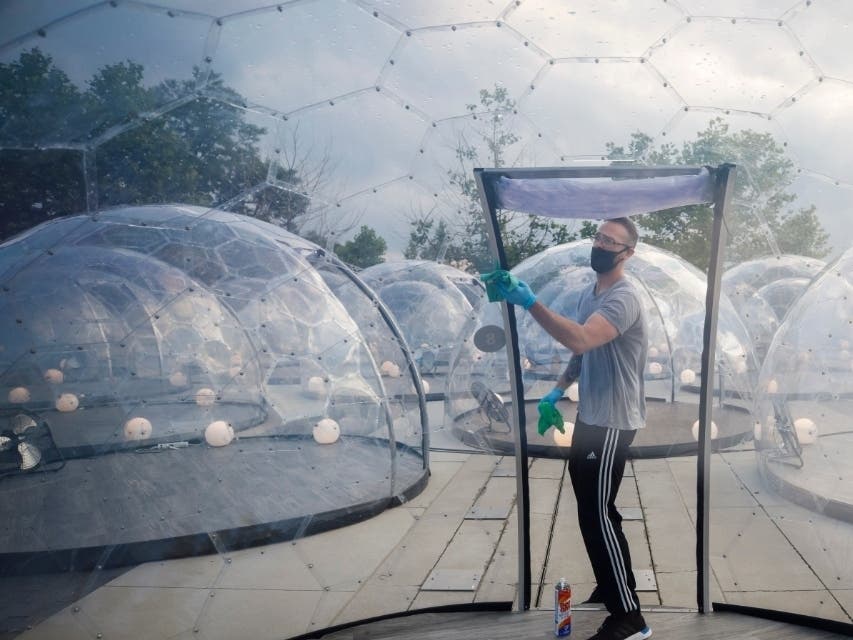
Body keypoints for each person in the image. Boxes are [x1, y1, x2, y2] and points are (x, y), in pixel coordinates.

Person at [491, 217, 651, 640]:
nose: (600, 244)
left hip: (613, 420)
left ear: (627, 253)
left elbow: (581, 339)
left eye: (611, 241)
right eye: (598, 236)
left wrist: (529, 302)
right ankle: (614, 581)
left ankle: (630, 618)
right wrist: (555, 391)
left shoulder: (623, 297)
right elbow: (583, 358)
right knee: (595, 507)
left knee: (595, 512)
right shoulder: (589, 294)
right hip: (591, 417)